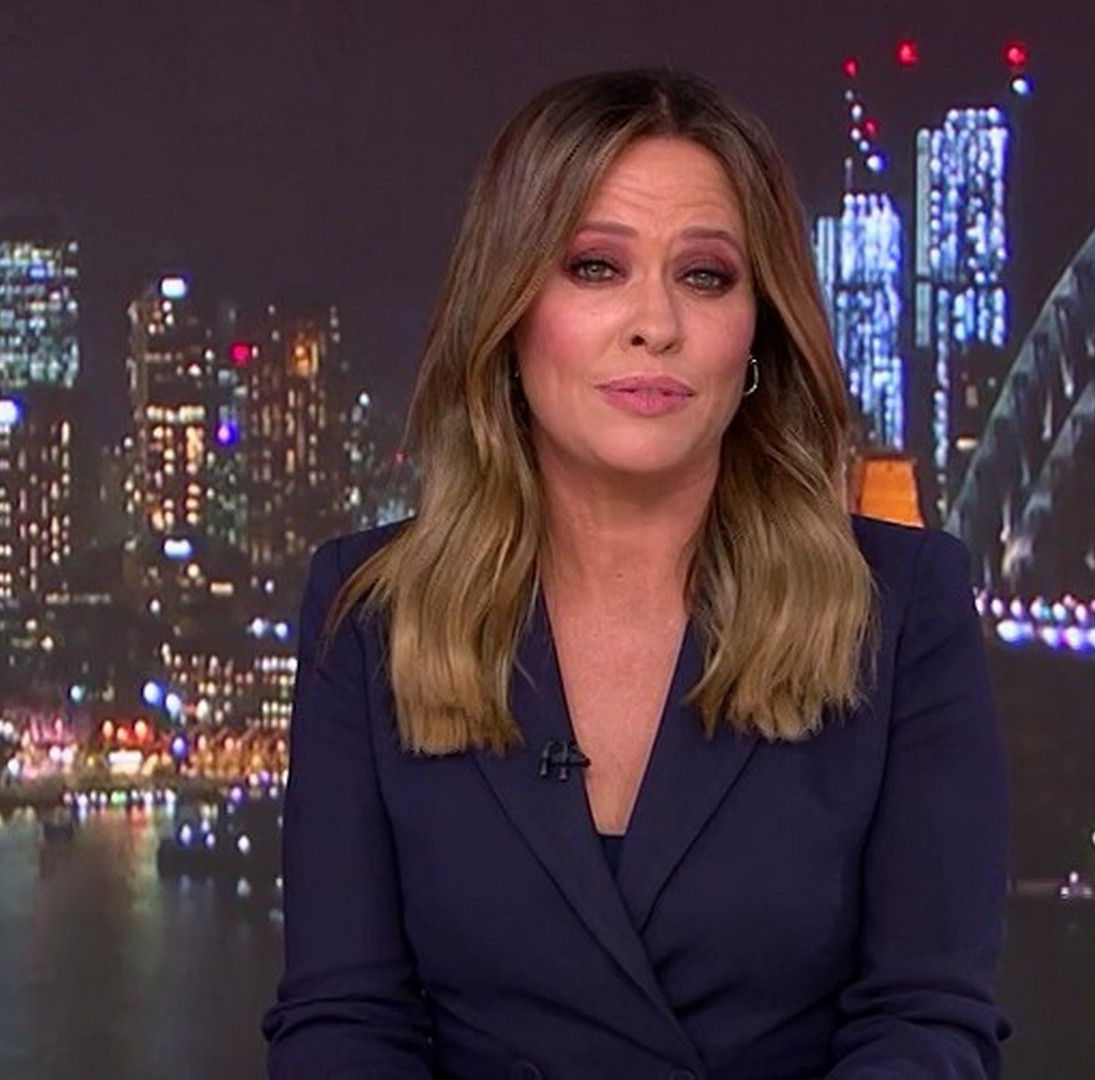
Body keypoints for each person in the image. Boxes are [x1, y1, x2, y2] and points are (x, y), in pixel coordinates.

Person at [261, 68, 1011, 1079]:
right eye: (595, 267)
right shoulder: (368, 615)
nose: (655, 322)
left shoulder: (904, 607)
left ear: (758, 331)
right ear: (510, 313)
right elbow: (344, 1026)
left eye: (704, 276)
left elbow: (927, 1021)